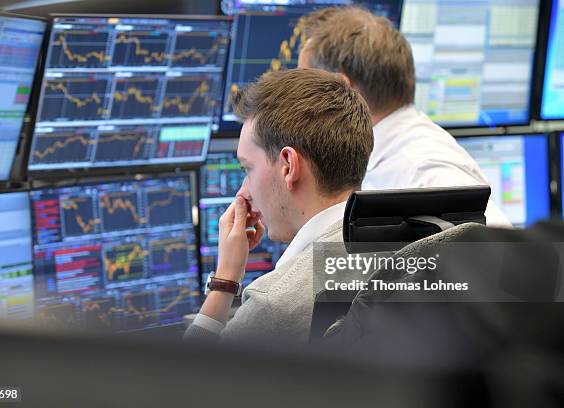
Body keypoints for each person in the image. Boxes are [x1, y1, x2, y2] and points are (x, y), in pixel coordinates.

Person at [184, 68, 374, 343]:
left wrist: (225, 280)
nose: (243, 192)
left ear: (288, 166)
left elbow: (187, 380)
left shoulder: (275, 305)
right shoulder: (413, 250)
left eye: (247, 169)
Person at [298, 6, 511, 227]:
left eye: (306, 87)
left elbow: (503, 256)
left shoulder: (422, 171)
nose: (299, 100)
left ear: (342, 90)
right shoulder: (389, 159)